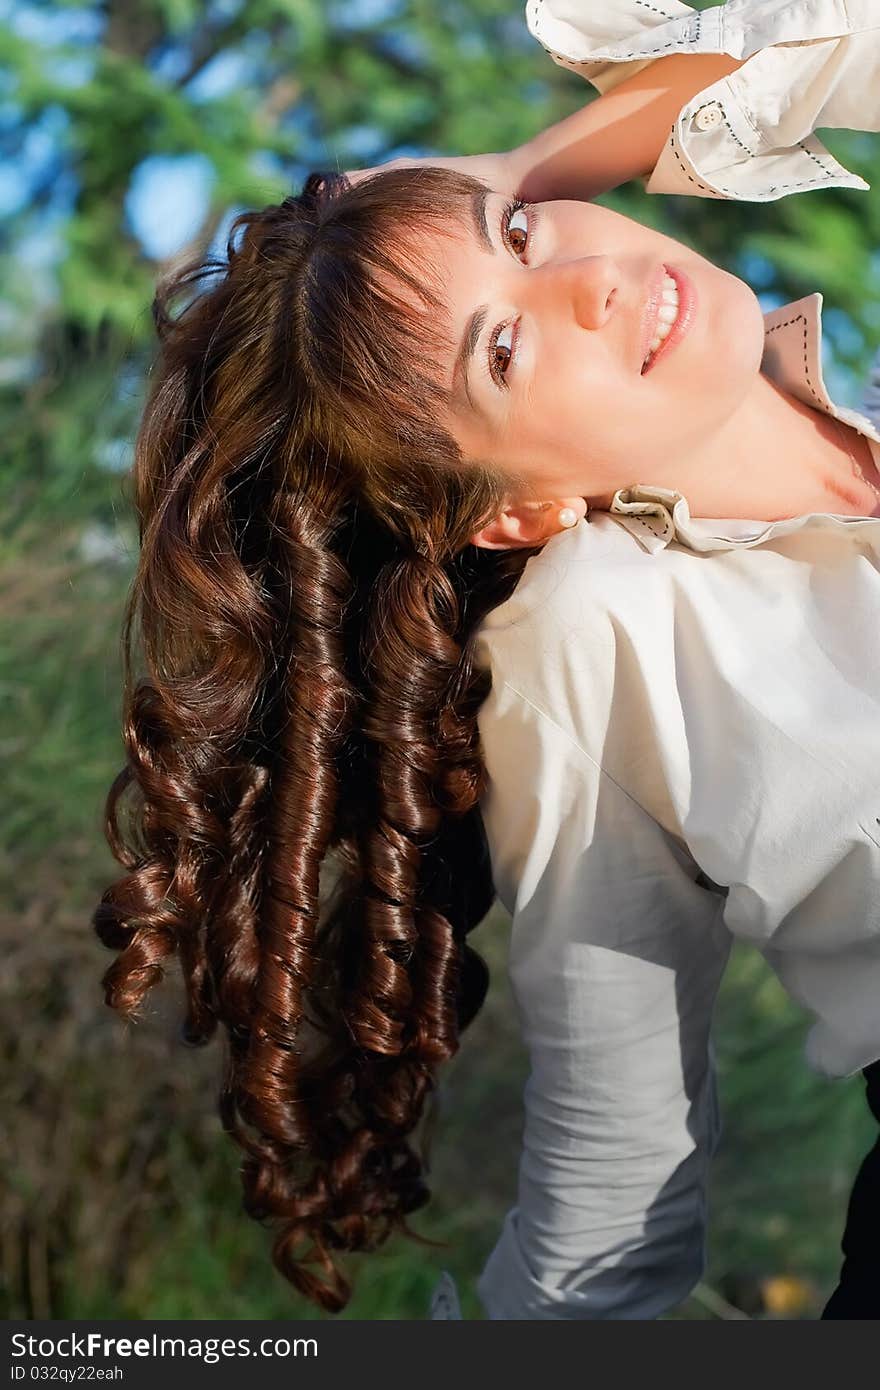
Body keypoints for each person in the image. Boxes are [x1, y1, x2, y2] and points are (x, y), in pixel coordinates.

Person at [92, 0, 880, 1319]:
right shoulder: (592, 639)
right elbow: (611, 1193)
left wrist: (519, 173)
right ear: (510, 510)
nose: (589, 282)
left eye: (525, 235)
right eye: (506, 347)